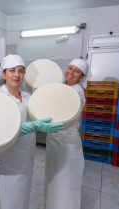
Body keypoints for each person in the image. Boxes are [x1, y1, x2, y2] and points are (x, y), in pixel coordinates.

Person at [0, 54, 65, 209]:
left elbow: (37, 115)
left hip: (25, 157)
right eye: (12, 70)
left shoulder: (28, 97)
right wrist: (31, 127)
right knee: (3, 201)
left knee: (21, 198)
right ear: (3, 74)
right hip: (4, 161)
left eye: (21, 71)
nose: (17, 75)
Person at [42, 58, 90, 209]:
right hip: (53, 137)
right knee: (53, 174)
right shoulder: (61, 86)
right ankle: (51, 204)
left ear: (82, 76)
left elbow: (60, 113)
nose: (71, 73)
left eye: (76, 71)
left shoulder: (77, 92)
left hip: (67, 138)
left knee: (66, 176)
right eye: (70, 68)